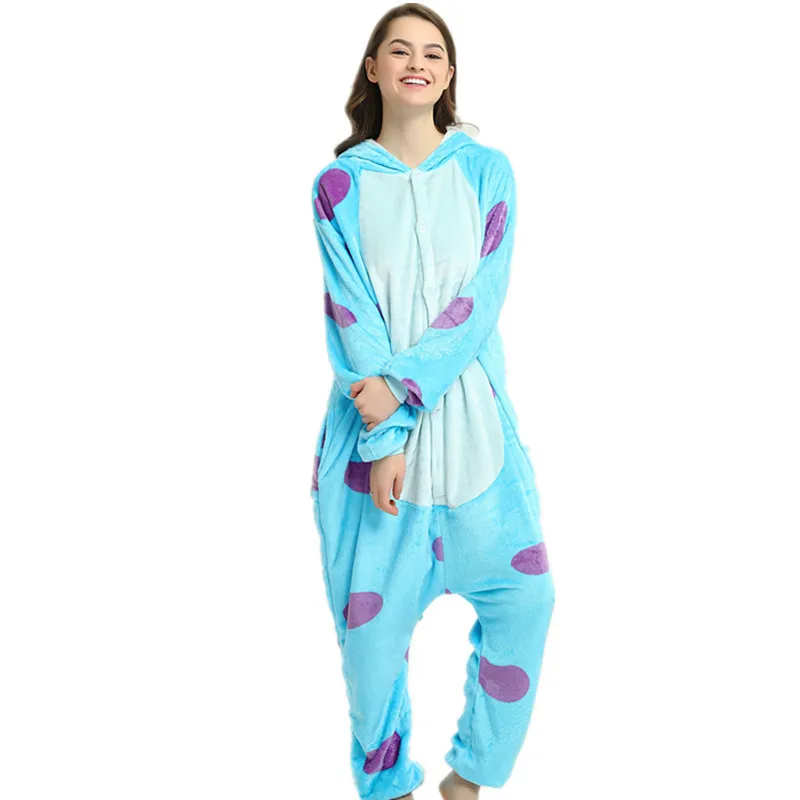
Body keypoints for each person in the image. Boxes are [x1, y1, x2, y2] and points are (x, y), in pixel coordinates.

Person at [309, 5, 555, 799]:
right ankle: (390, 788)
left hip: (478, 438)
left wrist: (401, 395)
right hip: (371, 453)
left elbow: (479, 303)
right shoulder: (339, 186)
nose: (417, 63)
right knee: (370, 651)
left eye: (433, 53)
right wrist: (385, 439)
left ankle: (470, 778)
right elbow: (351, 313)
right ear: (373, 69)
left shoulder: (487, 172)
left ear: (448, 74)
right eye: (400, 50)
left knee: (527, 601)